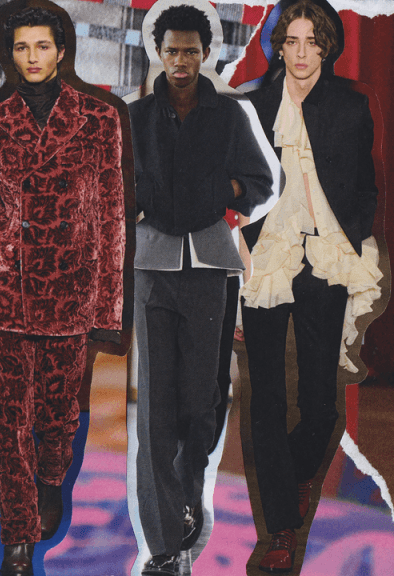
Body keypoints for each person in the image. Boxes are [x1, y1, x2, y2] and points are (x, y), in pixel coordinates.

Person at [0, 5, 125, 575]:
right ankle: (17, 541)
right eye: (21, 47)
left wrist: (108, 304)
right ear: (10, 54)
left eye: (41, 46)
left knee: (57, 415)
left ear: (61, 51)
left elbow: (111, 214)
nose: (31, 57)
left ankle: (52, 476)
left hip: (70, 288)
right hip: (6, 288)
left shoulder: (99, 120)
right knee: (8, 422)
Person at [128, 5, 273, 575]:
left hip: (210, 266)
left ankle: (189, 493)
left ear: (206, 54)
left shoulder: (230, 114)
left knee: (201, 400)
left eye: (191, 50)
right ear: (158, 54)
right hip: (151, 267)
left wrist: (224, 190)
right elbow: (115, 185)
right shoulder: (136, 116)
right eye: (172, 51)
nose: (181, 60)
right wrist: (137, 201)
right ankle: (163, 545)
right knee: (154, 409)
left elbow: (261, 181)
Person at [241, 1, 382, 571]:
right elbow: (239, 182)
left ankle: (295, 475)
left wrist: (349, 235)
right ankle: (280, 527)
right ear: (279, 46)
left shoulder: (350, 106)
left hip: (324, 260)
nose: (301, 53)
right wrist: (242, 248)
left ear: (327, 46)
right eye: (291, 41)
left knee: (321, 402)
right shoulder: (253, 106)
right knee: (266, 397)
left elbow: (366, 184)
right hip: (268, 260)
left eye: (312, 41)